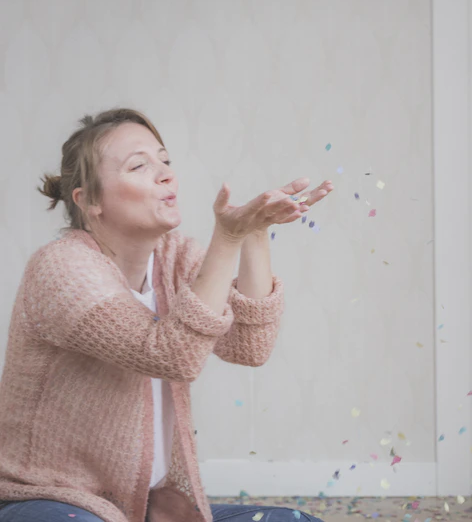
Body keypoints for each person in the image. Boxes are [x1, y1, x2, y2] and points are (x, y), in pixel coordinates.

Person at [0, 109, 333, 522]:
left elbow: (250, 346)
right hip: (47, 501)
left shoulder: (174, 258)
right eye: (139, 165)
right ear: (90, 201)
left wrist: (254, 234)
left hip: (140, 503)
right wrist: (227, 238)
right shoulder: (61, 268)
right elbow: (173, 356)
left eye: (165, 161)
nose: (164, 175)